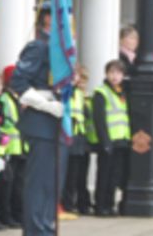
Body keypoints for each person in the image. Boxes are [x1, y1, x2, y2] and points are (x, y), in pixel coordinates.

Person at [10, 6, 66, 236]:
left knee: (53, 185)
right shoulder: (39, 46)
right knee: (40, 185)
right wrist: (47, 104)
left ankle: (46, 229)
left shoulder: (60, 49)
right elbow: (18, 82)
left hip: (57, 124)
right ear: (47, 18)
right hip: (42, 121)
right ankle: (36, 231)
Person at [92, 60, 129, 217]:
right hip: (108, 141)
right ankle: (101, 205)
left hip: (121, 140)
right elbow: (99, 119)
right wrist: (105, 141)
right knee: (104, 175)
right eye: (111, 73)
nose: (115, 76)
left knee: (114, 176)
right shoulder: (101, 92)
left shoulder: (122, 92)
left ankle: (110, 203)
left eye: (118, 73)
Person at [0, 65, 23, 229]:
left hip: (17, 146)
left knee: (16, 185)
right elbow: (5, 122)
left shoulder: (15, 97)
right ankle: (5, 215)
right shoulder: (5, 98)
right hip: (8, 147)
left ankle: (13, 214)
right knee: (7, 186)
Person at [61, 65, 91, 216]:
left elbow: (85, 116)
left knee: (77, 174)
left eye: (76, 76)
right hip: (67, 136)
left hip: (79, 138)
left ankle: (75, 203)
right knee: (67, 175)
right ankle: (66, 204)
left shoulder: (80, 94)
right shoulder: (63, 92)